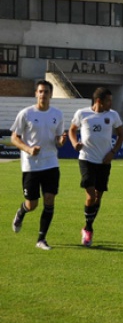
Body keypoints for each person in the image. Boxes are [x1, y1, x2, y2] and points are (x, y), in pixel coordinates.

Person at [10, 80, 67, 250]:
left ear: (51, 94)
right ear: (36, 93)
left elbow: (59, 138)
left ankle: (41, 239)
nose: (43, 95)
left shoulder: (57, 114)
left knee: (49, 200)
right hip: (31, 165)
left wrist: (61, 141)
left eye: (46, 92)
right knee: (32, 204)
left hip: (51, 163)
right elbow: (14, 137)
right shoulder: (25, 113)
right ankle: (21, 212)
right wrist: (28, 149)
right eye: (40, 91)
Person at [69, 87, 123, 247]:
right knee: (91, 196)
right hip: (86, 159)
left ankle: (88, 227)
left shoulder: (113, 115)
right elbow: (72, 130)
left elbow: (121, 134)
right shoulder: (82, 113)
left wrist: (113, 152)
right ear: (99, 101)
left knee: (98, 197)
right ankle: (88, 229)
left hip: (104, 162)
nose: (111, 103)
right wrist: (75, 143)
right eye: (108, 100)